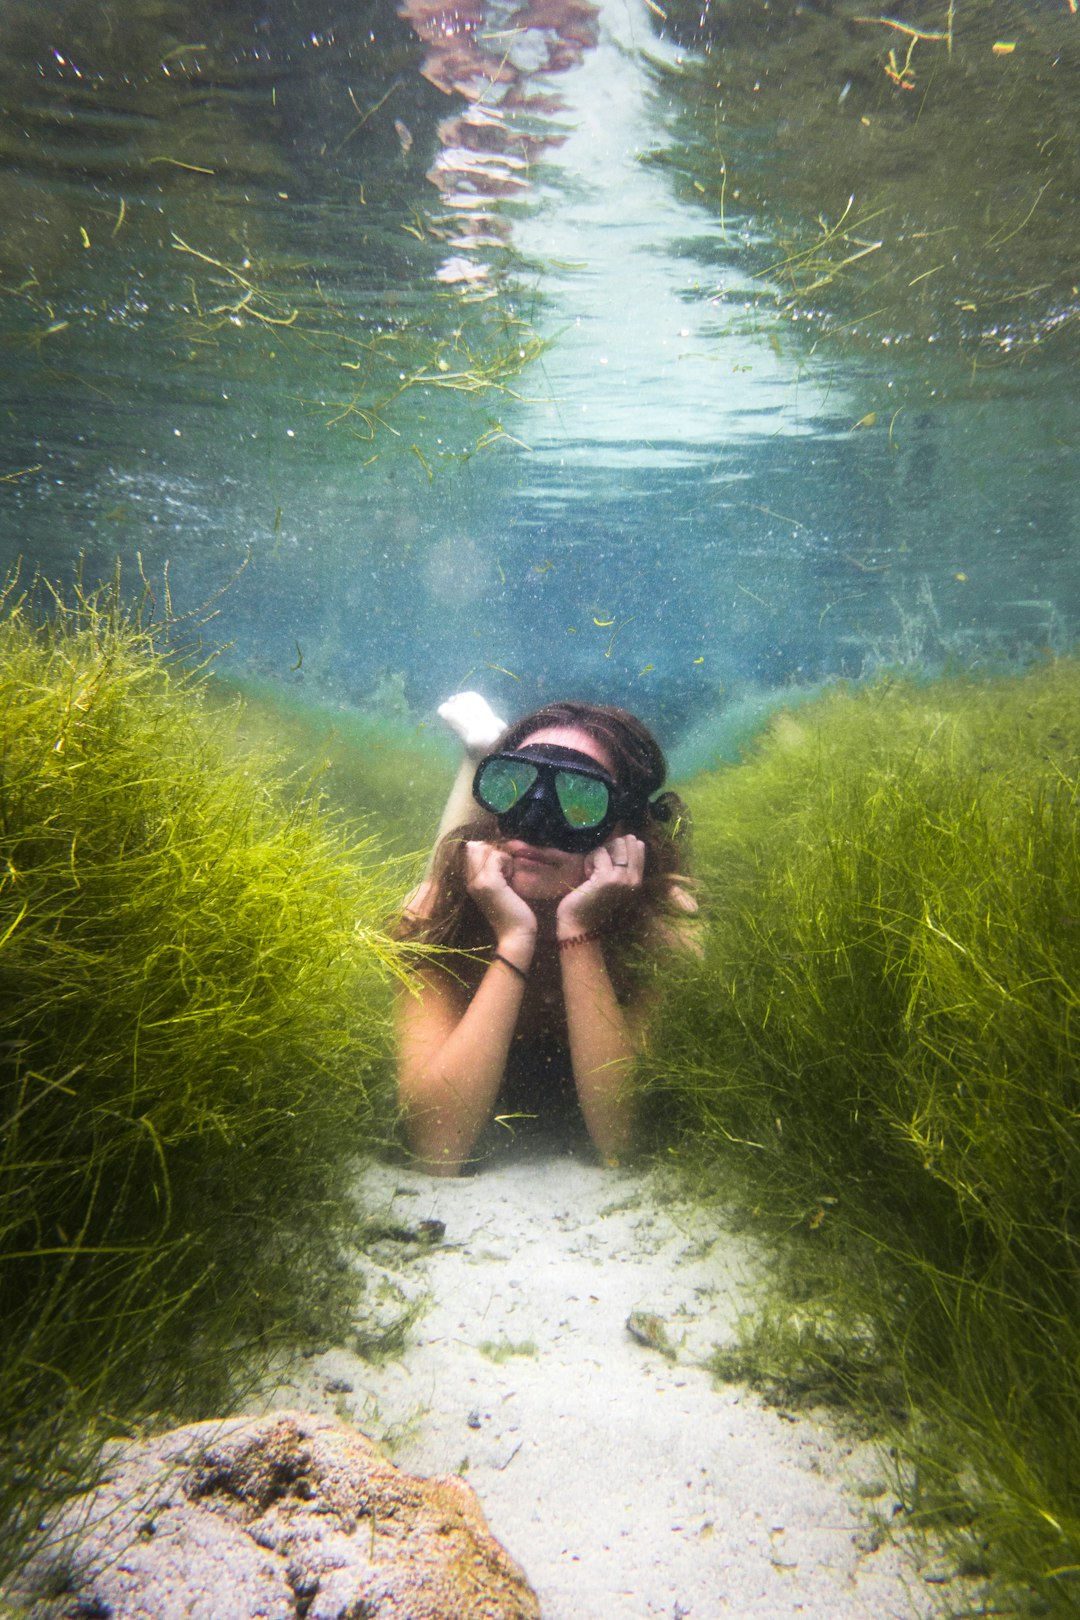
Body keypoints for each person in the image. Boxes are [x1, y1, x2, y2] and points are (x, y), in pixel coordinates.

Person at [396, 695, 695, 1175]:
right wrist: (514, 937)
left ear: (625, 831)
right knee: (439, 876)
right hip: (465, 891)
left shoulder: (663, 925)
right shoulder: (437, 913)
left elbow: (625, 1142)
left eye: (580, 800)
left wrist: (579, 929)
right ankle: (481, 753)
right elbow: (437, 1147)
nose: (534, 824)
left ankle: (487, 754)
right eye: (511, 785)